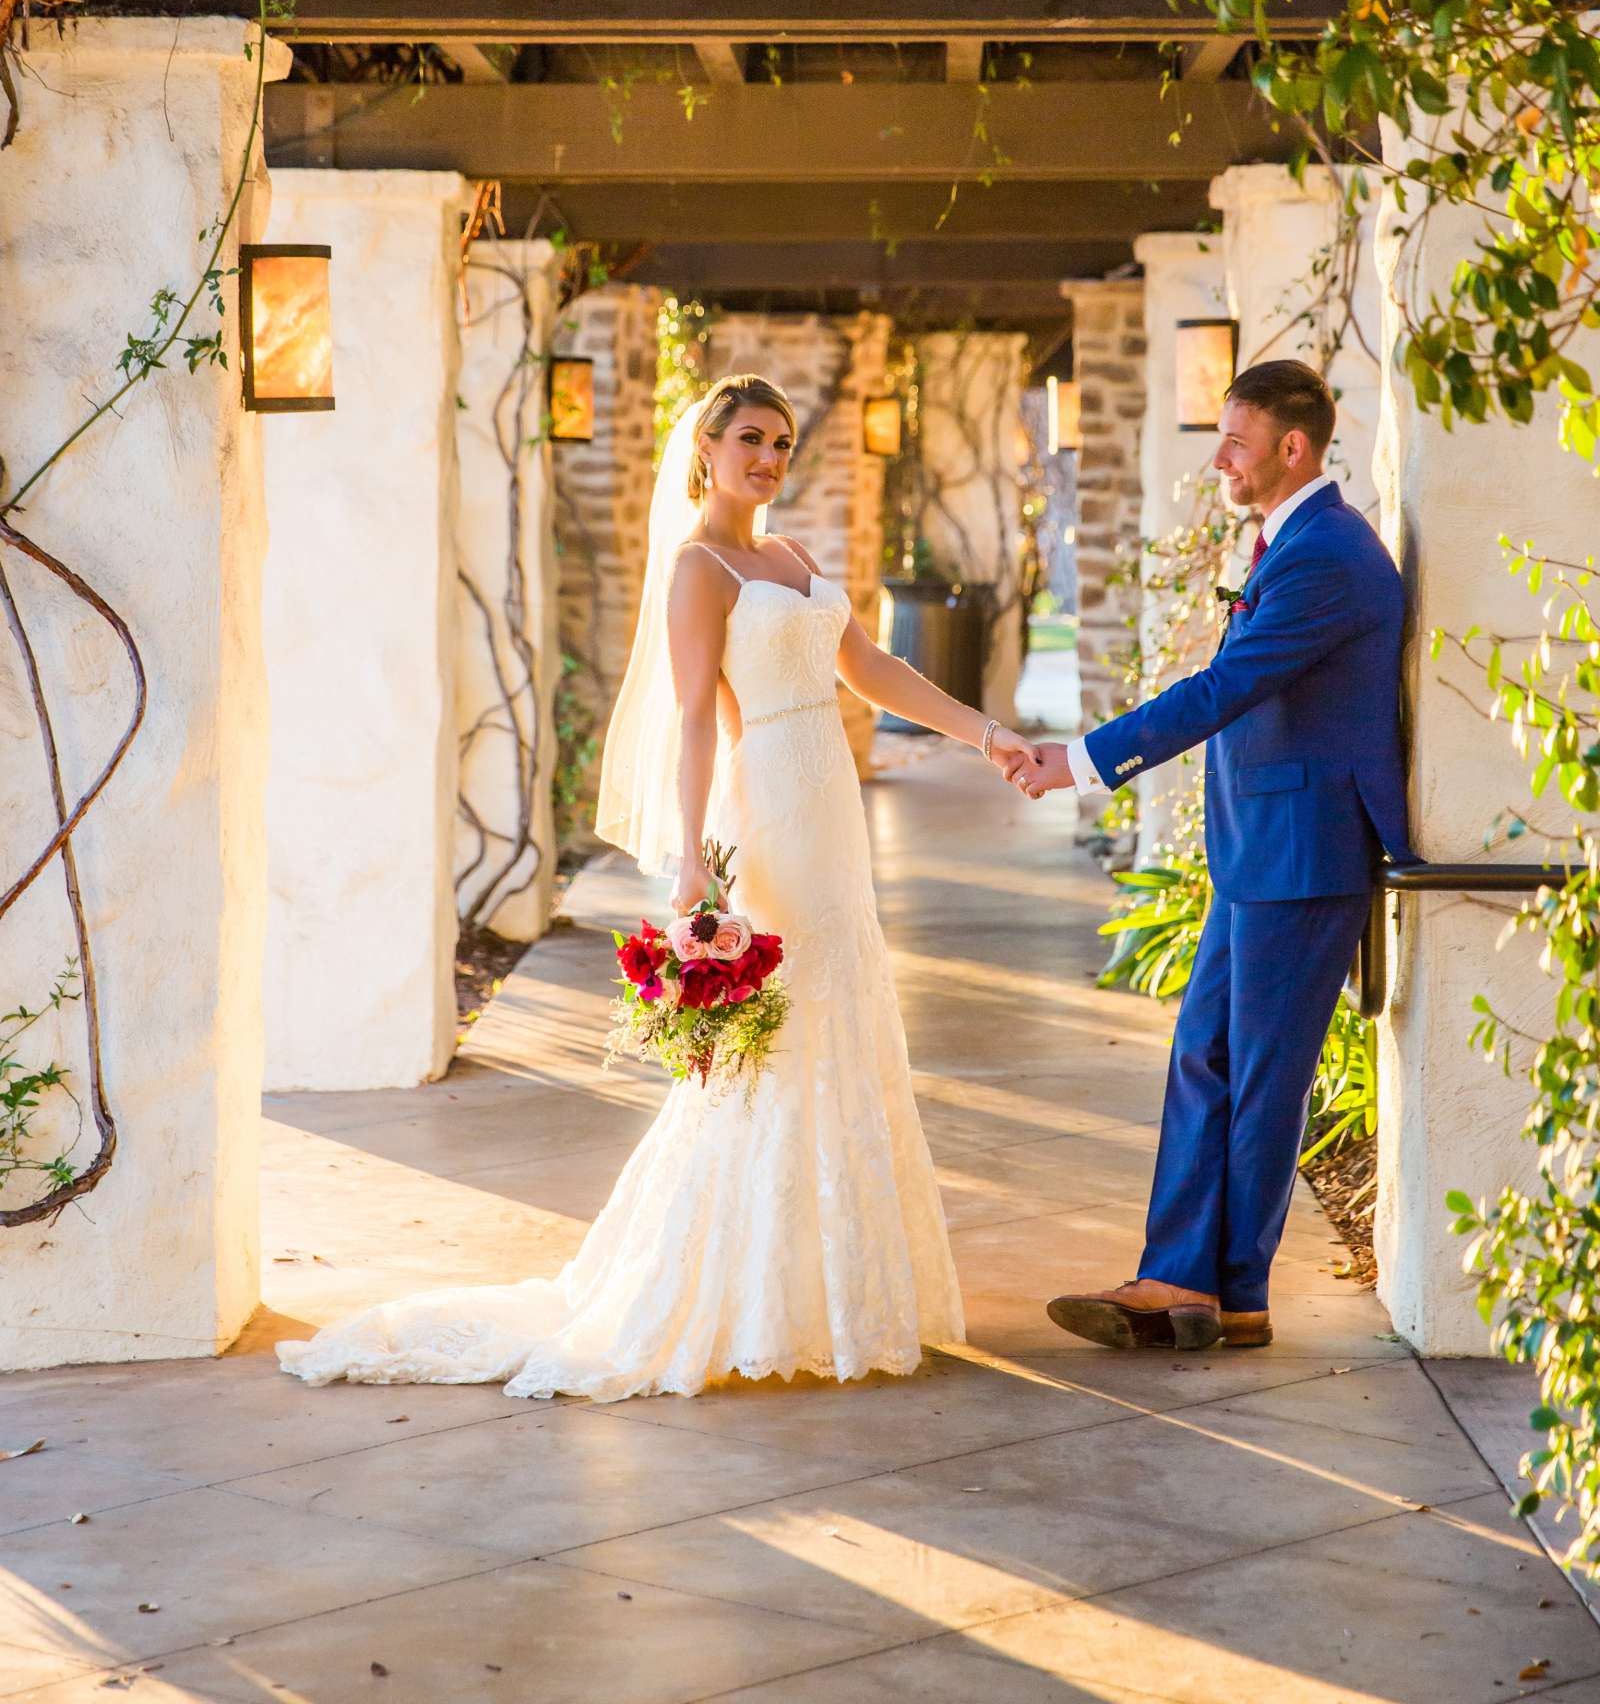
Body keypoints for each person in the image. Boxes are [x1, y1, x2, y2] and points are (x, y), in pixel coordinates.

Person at [279, 372, 1039, 1399]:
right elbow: (689, 718)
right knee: (767, 1042)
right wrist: (691, 856)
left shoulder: (796, 556)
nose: (769, 458)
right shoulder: (699, 568)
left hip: (829, 814)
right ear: (707, 451)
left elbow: (870, 669)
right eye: (750, 440)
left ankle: (835, 1291)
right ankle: (734, 1288)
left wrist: (987, 733)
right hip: (763, 803)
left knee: (838, 1012)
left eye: (780, 442)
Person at [1011, 358, 1408, 1353]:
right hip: (1262, 848)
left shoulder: (1328, 555)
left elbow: (1223, 690)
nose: (1219, 458)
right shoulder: (1301, 540)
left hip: (1303, 852)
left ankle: (1230, 1292)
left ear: (1291, 447)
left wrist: (1081, 760)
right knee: (1207, 1057)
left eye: (1235, 440)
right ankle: (1187, 1282)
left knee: (1259, 1075)